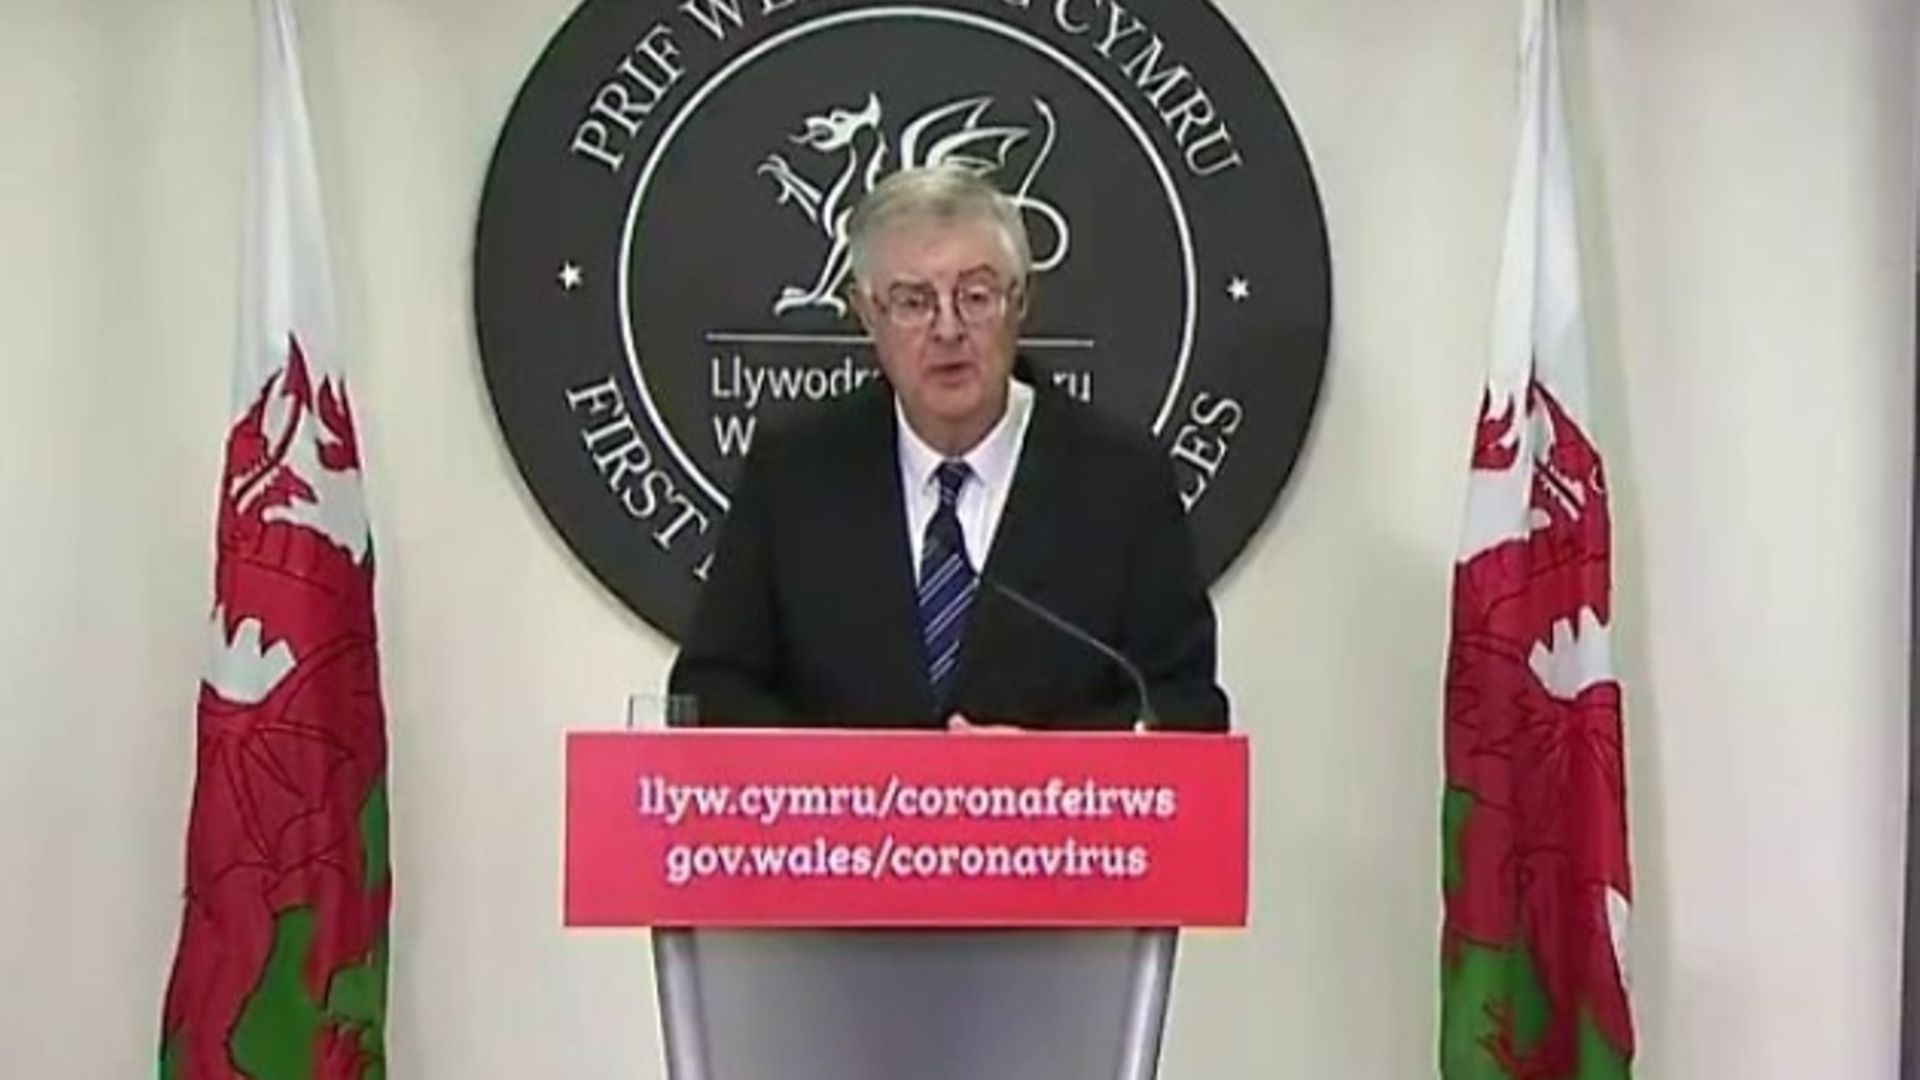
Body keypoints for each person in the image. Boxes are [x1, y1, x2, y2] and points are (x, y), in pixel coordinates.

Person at [667, 165, 1228, 732]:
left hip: (1053, 822)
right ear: (866, 314)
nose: (947, 329)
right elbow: (711, 690)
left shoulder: (1120, 480)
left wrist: (1052, 771)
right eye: (913, 301)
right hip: (843, 822)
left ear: (1021, 300)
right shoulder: (794, 472)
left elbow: (1187, 709)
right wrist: (844, 777)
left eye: (976, 296)